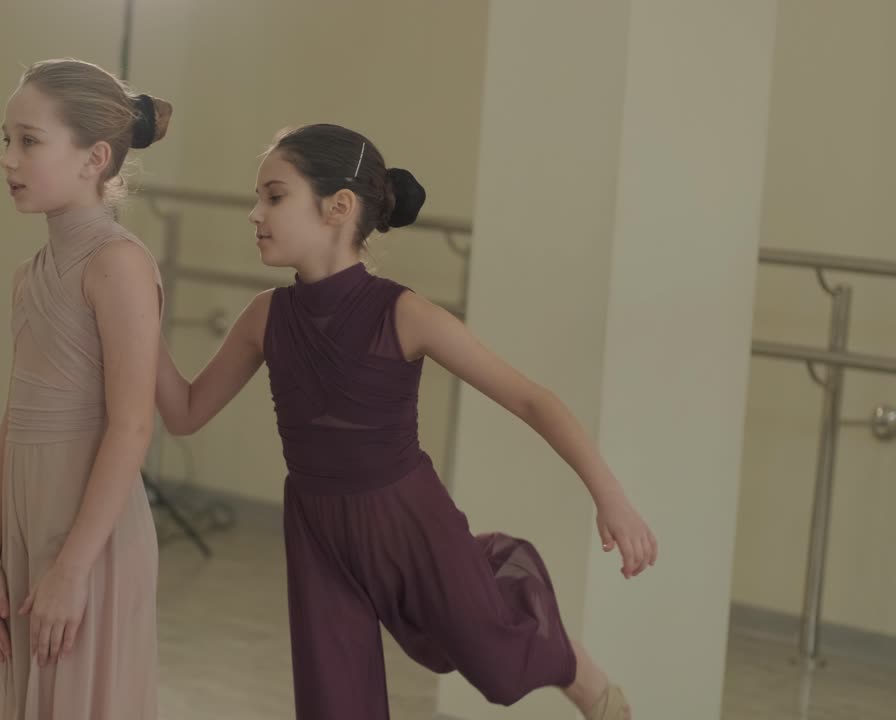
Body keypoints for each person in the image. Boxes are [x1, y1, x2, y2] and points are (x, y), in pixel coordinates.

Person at [154, 123, 656, 720]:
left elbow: (532, 400)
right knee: (334, 704)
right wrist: (139, 321)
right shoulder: (265, 316)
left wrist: (612, 498)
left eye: (274, 195)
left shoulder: (404, 314)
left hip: (407, 519)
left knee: (498, 671)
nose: (254, 212)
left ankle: (576, 670)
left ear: (338, 207)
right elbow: (184, 413)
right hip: (315, 525)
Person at [0, 58, 171, 720]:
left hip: (92, 543)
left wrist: (72, 570)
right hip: (30, 528)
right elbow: (15, 417)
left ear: (95, 158)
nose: (8, 158)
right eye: (6, 138)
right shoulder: (27, 277)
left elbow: (132, 426)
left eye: (29, 141)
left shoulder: (117, 265)